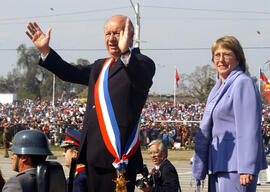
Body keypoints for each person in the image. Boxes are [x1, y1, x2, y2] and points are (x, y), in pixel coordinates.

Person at [25, 15, 155, 192]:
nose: (111, 38)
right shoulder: (100, 66)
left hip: (118, 159)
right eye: (107, 33)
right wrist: (46, 51)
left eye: (117, 33)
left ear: (130, 35)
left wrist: (125, 53)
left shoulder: (142, 63)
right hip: (91, 156)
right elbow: (70, 72)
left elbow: (140, 78)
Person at [192, 36, 267, 192]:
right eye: (217, 55)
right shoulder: (217, 88)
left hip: (236, 167)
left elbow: (248, 129)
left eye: (227, 54)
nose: (221, 59)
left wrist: (246, 167)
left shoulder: (242, 83)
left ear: (238, 58)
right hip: (219, 163)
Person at [61, 127, 86, 192]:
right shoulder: (89, 174)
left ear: (75, 154)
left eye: (66, 150)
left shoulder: (76, 181)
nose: (63, 154)